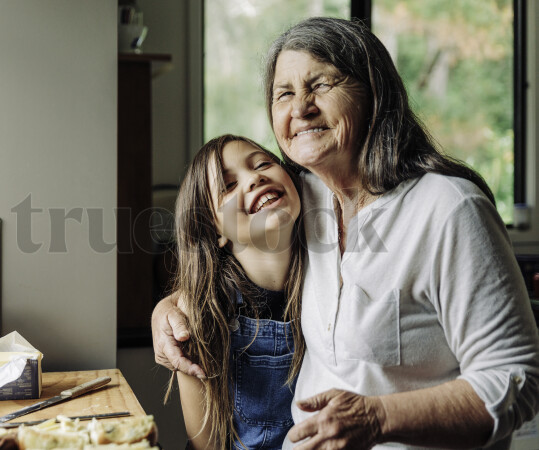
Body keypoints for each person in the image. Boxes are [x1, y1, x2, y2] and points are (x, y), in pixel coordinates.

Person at [152, 17, 539, 449]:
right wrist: (170, 309)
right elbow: (224, 236)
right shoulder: (306, 198)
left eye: (319, 84)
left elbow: (517, 381)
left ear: (374, 92)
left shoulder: (448, 208)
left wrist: (379, 418)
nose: (300, 108)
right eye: (284, 94)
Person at [170, 134, 306, 449]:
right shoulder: (201, 310)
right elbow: (206, 443)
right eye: (229, 185)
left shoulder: (329, 281)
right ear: (214, 230)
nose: (255, 177)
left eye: (263, 164)